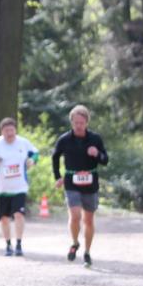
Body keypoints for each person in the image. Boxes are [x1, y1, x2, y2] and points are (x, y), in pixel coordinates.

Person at [52, 105, 108, 267]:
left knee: (88, 220)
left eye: (81, 122)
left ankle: (87, 252)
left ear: (87, 123)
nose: (78, 125)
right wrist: (58, 176)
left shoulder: (95, 139)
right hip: (71, 181)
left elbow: (105, 160)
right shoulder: (64, 140)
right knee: (75, 215)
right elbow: (55, 157)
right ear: (71, 122)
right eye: (76, 122)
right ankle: (75, 242)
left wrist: (97, 154)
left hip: (91, 183)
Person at [0, 118, 38, 257]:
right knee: (4, 218)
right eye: (6, 131)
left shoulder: (23, 143)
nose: (10, 133)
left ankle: (18, 244)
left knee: (19, 214)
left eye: (12, 130)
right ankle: (8, 245)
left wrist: (32, 161)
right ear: (2, 132)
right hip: (2, 189)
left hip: (19, 187)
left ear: (15, 130)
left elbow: (35, 153)